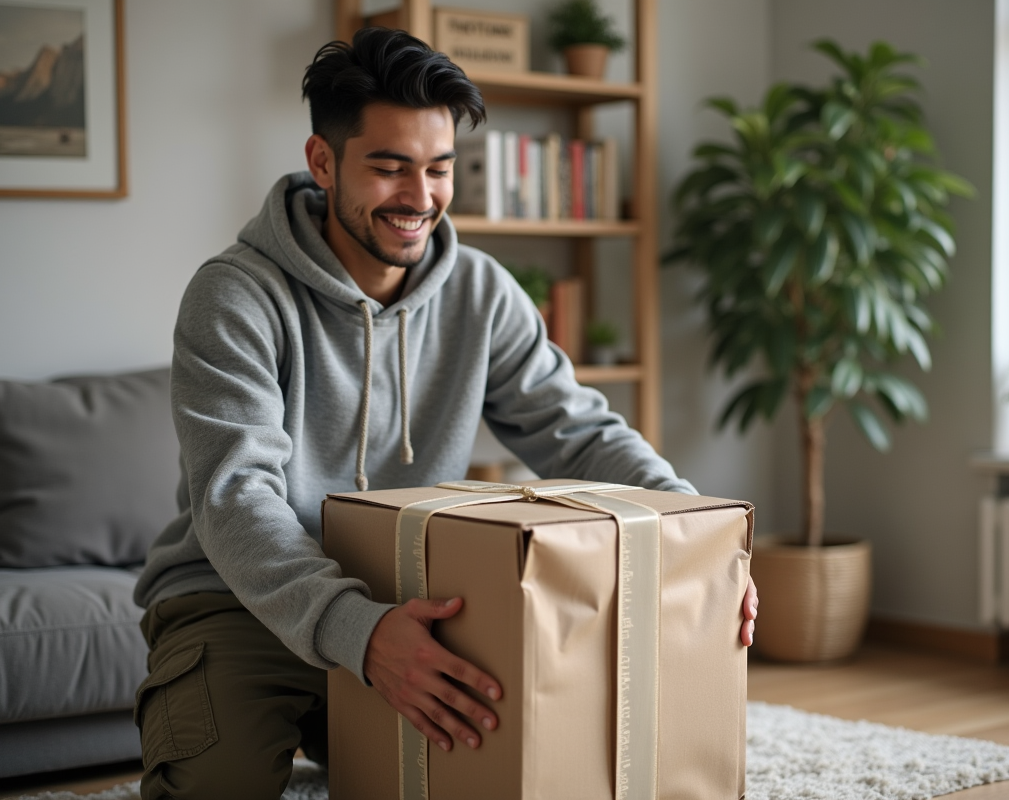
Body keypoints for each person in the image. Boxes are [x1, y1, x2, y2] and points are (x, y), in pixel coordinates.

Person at [132, 26, 758, 800]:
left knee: (523, 758)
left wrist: (694, 537)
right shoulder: (234, 295)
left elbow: (581, 432)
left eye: (438, 169)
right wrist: (358, 634)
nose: (420, 198)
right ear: (322, 162)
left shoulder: (483, 293)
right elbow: (236, 498)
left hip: (412, 596)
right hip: (236, 599)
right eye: (390, 168)